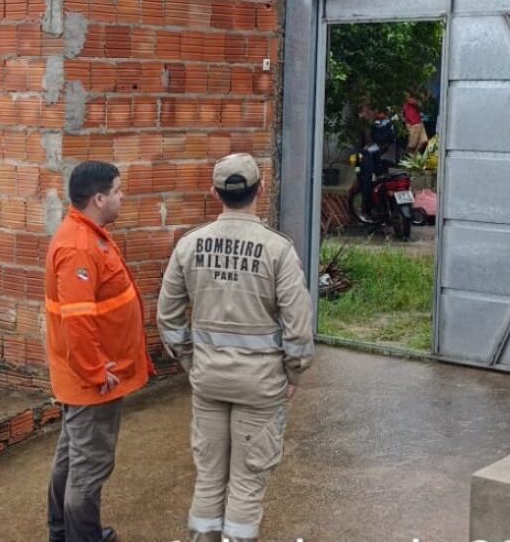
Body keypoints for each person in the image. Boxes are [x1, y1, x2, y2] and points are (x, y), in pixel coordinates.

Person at [157, 153, 315, 542]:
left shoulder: (189, 246)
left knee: (209, 476)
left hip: (208, 380)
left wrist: (192, 362)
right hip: (261, 385)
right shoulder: (278, 250)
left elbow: (168, 319)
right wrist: (293, 373)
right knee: (247, 479)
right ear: (260, 189)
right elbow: (298, 327)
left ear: (215, 194)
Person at [44, 161, 153, 542]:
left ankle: (62, 533)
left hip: (87, 377)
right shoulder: (79, 247)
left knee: (71, 458)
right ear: (99, 199)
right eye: (118, 191)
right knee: (89, 468)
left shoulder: (88, 234)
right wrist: (94, 371)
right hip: (94, 381)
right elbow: (77, 320)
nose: (123, 197)